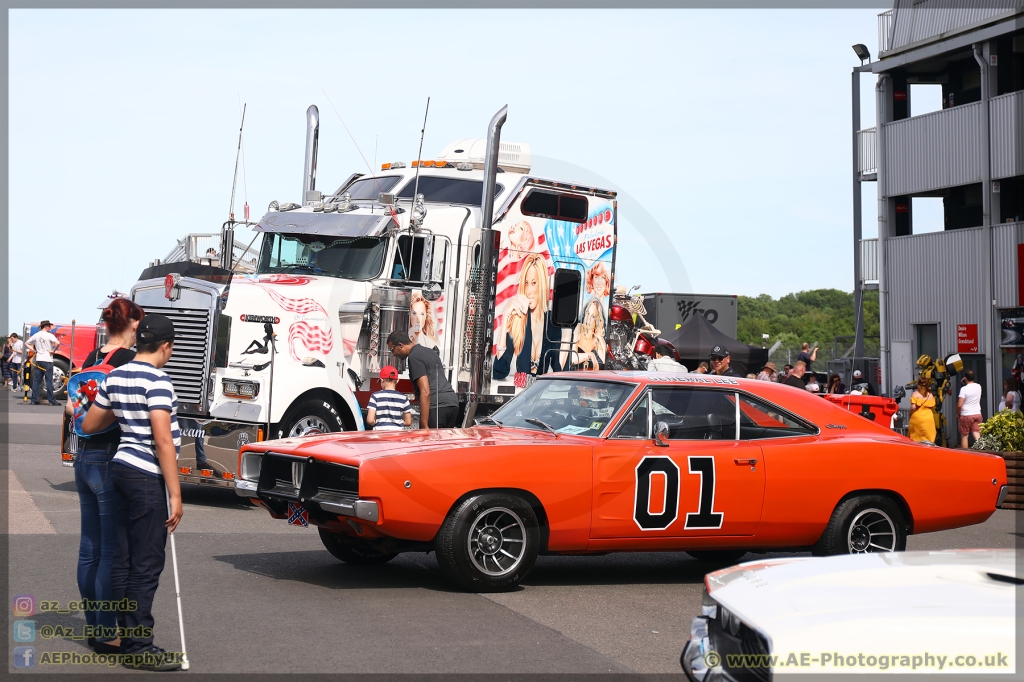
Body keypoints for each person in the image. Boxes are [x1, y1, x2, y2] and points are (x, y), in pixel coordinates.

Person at [81, 314, 183, 671]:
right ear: (167, 346)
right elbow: (163, 439)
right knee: (147, 561)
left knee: (122, 559)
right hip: (146, 475)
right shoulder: (159, 380)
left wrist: (124, 415)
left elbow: (90, 424)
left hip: (120, 468)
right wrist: (176, 493)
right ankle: (140, 645)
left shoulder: (116, 376)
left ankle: (120, 637)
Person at [69, 298, 144, 655]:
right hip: (111, 457)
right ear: (132, 325)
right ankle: (107, 633)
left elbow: (72, 405)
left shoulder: (91, 359)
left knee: (89, 548)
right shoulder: (129, 363)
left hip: (84, 456)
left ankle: (93, 627)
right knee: (111, 551)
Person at [494, 253, 561, 383]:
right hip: (520, 393)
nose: (529, 290)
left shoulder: (552, 321)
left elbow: (558, 369)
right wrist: (506, 319)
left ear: (542, 285)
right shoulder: (519, 319)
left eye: (534, 283)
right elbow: (499, 371)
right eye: (526, 283)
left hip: (541, 393)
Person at [387, 330, 459, 428]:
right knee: (444, 442)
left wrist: (424, 425)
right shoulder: (430, 352)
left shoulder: (413, 357)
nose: (393, 354)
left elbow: (425, 391)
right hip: (452, 403)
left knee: (430, 441)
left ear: (400, 345)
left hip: (437, 406)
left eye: (392, 350)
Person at [366, 366, 412, 430]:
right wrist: (397, 423)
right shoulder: (403, 398)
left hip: (380, 434)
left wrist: (378, 423)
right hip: (397, 434)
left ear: (382, 380)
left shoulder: (375, 396)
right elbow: (408, 422)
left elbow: (370, 420)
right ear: (397, 380)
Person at [567, 298, 608, 370]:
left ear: (597, 320)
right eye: (588, 314)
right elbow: (573, 359)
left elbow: (606, 360)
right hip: (572, 373)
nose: (589, 319)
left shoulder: (595, 340)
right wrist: (591, 355)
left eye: (593, 316)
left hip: (585, 374)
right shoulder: (579, 328)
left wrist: (601, 339)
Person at [27, 320, 61, 405]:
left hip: (39, 359)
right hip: (47, 359)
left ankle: (34, 400)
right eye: (49, 326)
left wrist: (34, 350)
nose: (50, 328)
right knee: (49, 380)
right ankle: (51, 400)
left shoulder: (36, 335)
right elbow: (58, 343)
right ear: (46, 327)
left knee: (36, 381)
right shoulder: (49, 335)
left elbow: (26, 343)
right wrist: (53, 351)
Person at [957, 371, 983, 448]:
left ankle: (965, 456)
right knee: (976, 433)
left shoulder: (963, 389)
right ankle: (982, 451)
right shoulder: (979, 386)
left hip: (966, 415)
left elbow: (959, 405)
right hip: (977, 413)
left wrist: (958, 413)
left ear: (965, 378)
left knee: (964, 436)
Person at [908, 377, 937, 443]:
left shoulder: (916, 394)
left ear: (918, 384)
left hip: (917, 418)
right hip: (928, 418)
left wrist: (909, 413)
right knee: (928, 438)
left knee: (916, 439)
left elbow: (913, 407)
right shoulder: (930, 395)